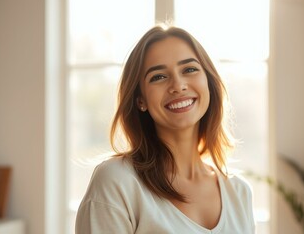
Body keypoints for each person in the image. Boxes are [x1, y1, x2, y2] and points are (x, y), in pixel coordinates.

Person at [75, 25, 255, 234]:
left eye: (189, 69)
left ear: (208, 83)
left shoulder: (240, 194)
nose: (178, 85)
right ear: (140, 99)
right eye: (158, 76)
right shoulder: (117, 182)